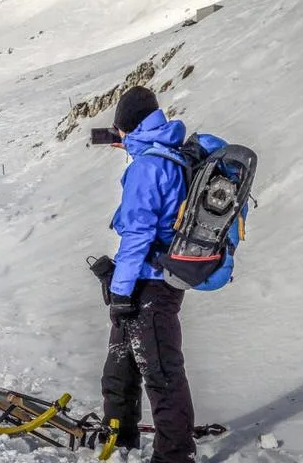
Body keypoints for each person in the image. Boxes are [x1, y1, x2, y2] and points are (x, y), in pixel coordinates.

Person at [101, 86, 195, 463]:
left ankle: (174, 455)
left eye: (121, 128)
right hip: (153, 277)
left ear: (130, 125)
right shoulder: (167, 154)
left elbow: (138, 233)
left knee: (161, 372)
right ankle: (119, 436)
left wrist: (120, 291)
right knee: (121, 362)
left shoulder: (148, 167)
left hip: (150, 282)